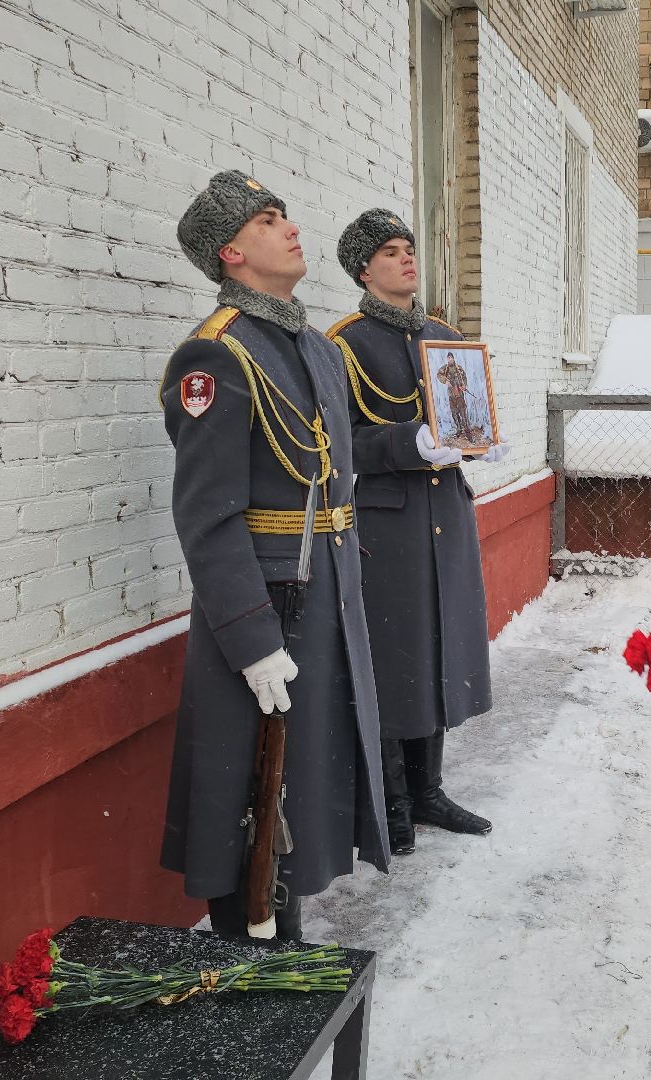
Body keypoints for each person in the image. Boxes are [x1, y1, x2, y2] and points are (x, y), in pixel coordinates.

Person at [158, 172, 391, 940]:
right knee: (248, 792)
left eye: (285, 213)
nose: (289, 227)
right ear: (231, 252)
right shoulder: (215, 356)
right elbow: (207, 519)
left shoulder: (315, 349)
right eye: (266, 220)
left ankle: (283, 931)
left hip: (323, 597)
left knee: (307, 777)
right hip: (264, 610)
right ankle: (248, 946)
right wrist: (254, 642)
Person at [328, 208, 507, 855]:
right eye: (391, 251)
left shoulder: (443, 334)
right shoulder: (342, 344)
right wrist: (411, 443)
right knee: (393, 658)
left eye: (409, 247)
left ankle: (428, 789)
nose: (407, 258)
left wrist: (481, 435)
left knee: (439, 655)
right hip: (389, 525)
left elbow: (463, 410)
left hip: (445, 520)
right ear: (363, 268)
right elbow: (336, 442)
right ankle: (392, 799)